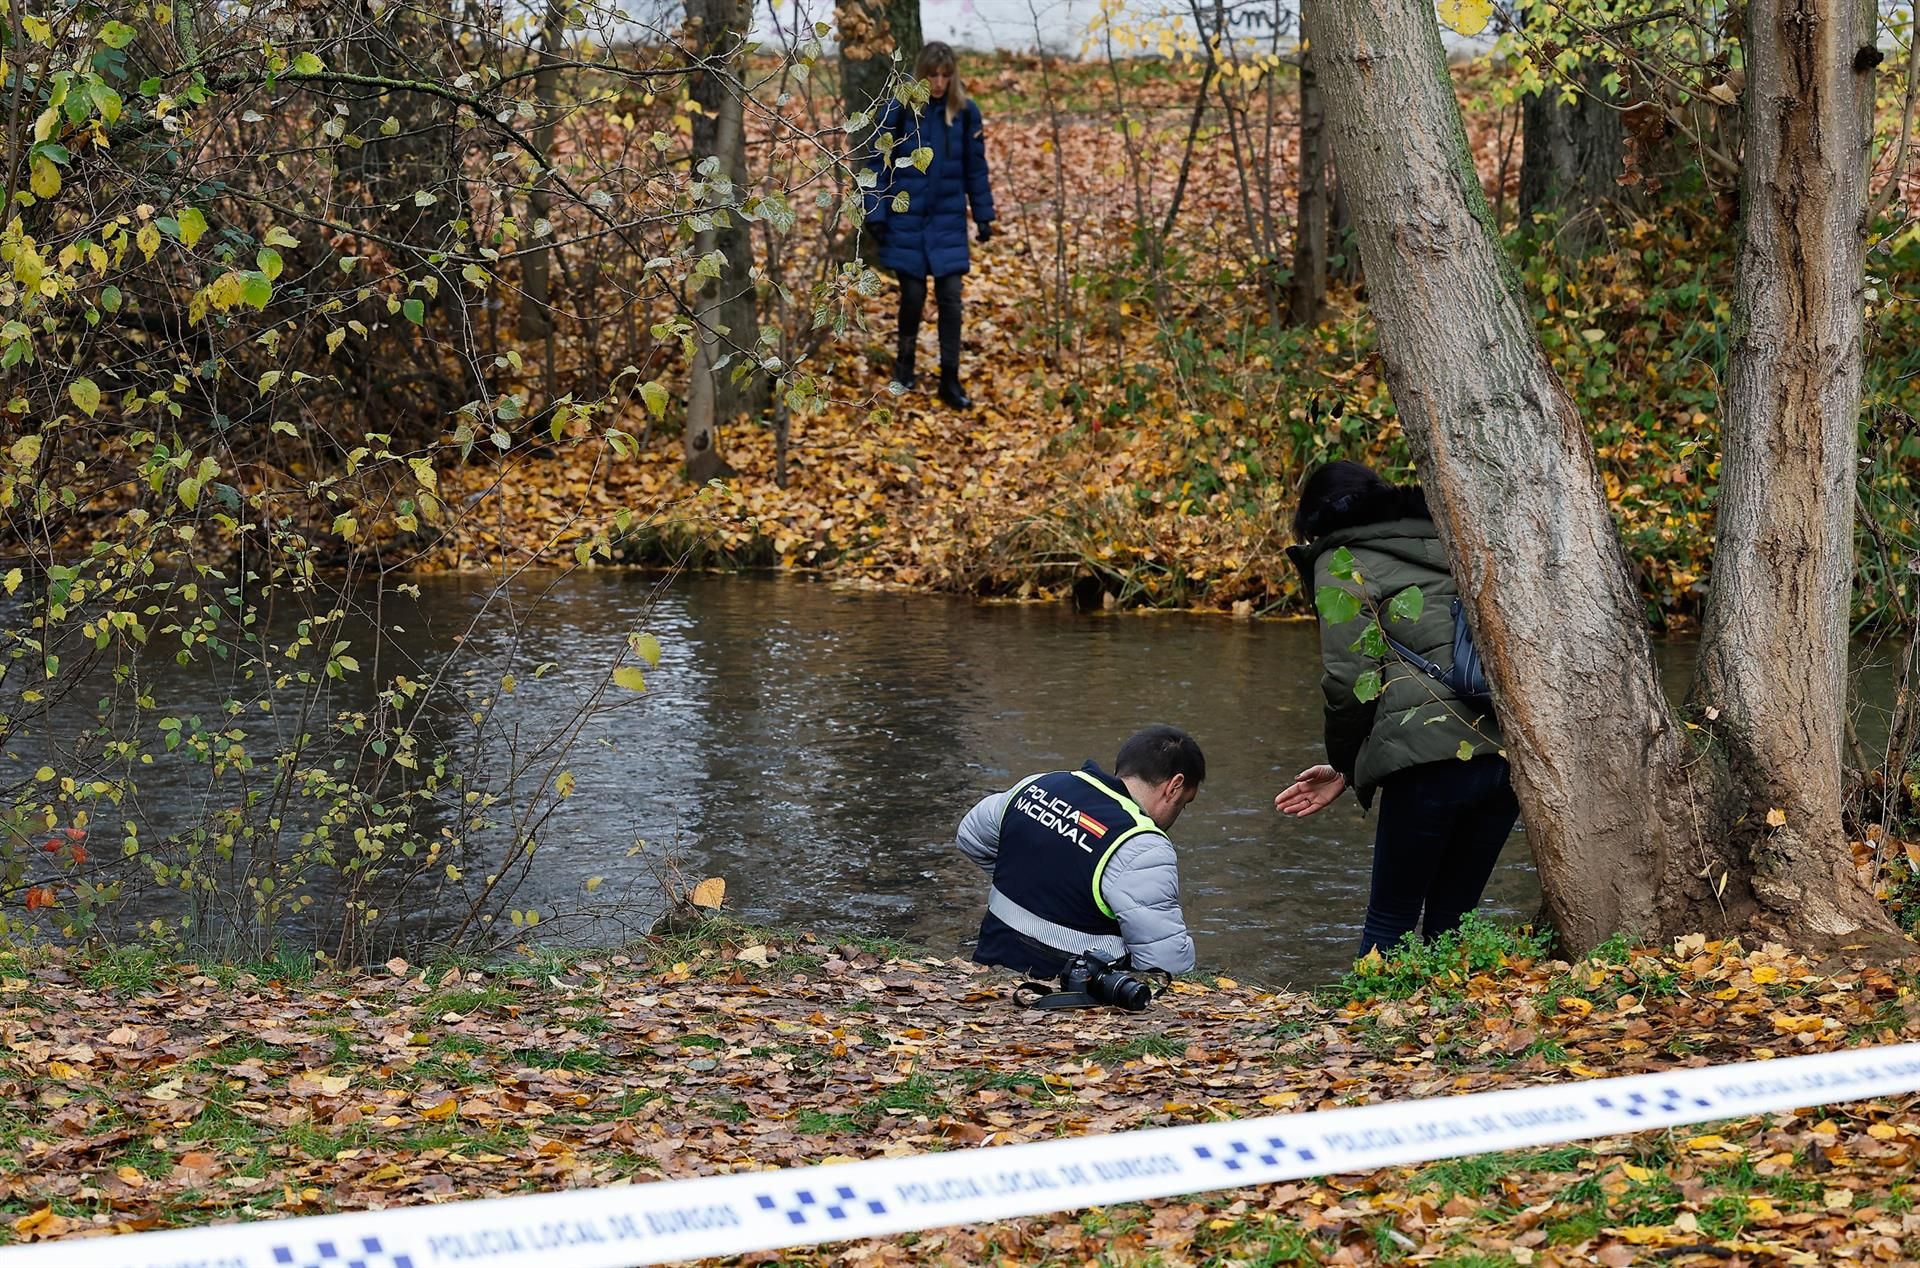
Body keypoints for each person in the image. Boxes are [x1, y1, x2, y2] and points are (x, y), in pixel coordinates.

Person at [1273, 460, 1520, 957]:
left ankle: (1369, 1026)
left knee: (1391, 917)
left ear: (1313, 520)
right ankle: (1449, 1027)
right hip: (1504, 755)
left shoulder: (1341, 560)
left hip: (1427, 761)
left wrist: (1344, 762)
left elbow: (1347, 680)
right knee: (1454, 922)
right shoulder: (1453, 540)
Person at [955, 725, 1201, 978]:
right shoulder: (1142, 845)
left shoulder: (1039, 785)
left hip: (989, 965)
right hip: (1068, 992)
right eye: (1184, 804)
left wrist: (1033, 880)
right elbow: (1167, 964)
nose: (1178, 814)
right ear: (1174, 786)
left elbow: (970, 837)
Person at [863, 41, 996, 411]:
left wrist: (984, 215)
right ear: (922, 74)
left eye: (944, 75)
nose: (938, 83)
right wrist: (875, 213)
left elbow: (976, 168)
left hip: (948, 220)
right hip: (906, 220)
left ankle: (949, 379)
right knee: (913, 296)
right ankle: (903, 368)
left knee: (951, 298)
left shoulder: (965, 112)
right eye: (932, 75)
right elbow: (877, 164)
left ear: (952, 76)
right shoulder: (898, 110)